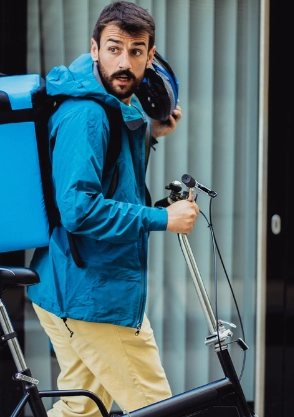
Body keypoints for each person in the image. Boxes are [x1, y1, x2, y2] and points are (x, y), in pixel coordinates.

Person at [26, 2, 198, 416]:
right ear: (94, 49)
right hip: (94, 295)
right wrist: (163, 219)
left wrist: (149, 135)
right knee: (156, 409)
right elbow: (78, 209)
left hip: (71, 287)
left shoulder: (107, 106)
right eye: (114, 48)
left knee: (80, 411)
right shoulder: (87, 113)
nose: (125, 62)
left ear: (150, 57)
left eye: (136, 51)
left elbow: (110, 180)